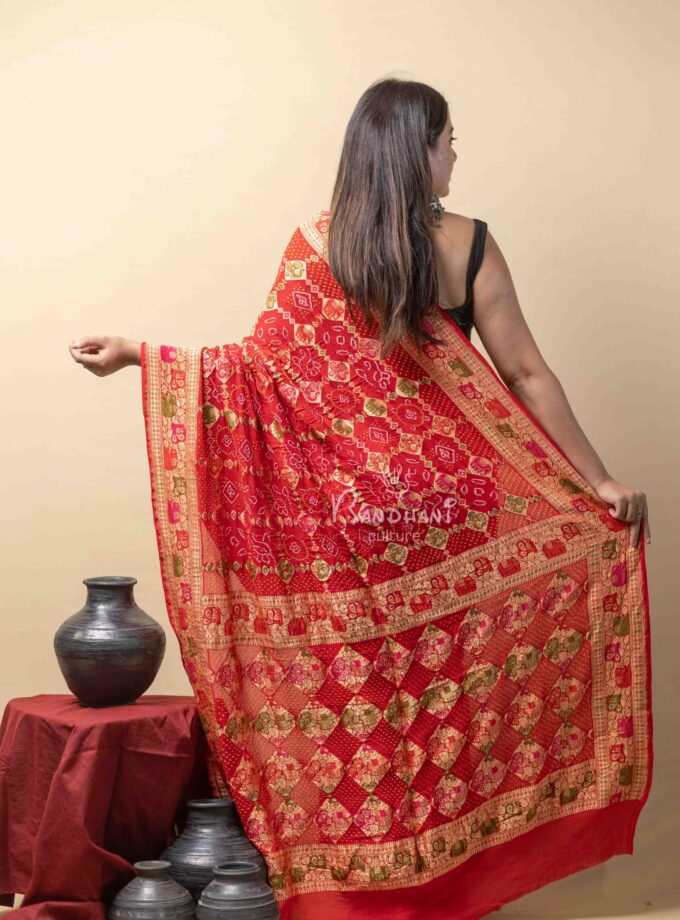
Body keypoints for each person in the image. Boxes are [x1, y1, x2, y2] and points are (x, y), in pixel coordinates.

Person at [67, 78, 653, 920]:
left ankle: (367, 894)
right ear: (417, 148)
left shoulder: (318, 245)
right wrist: (594, 485)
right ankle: (454, 883)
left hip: (348, 528)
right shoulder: (471, 242)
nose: (457, 153)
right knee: (454, 703)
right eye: (449, 138)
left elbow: (258, 373)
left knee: (370, 711)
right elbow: (525, 375)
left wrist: (141, 354)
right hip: (456, 527)